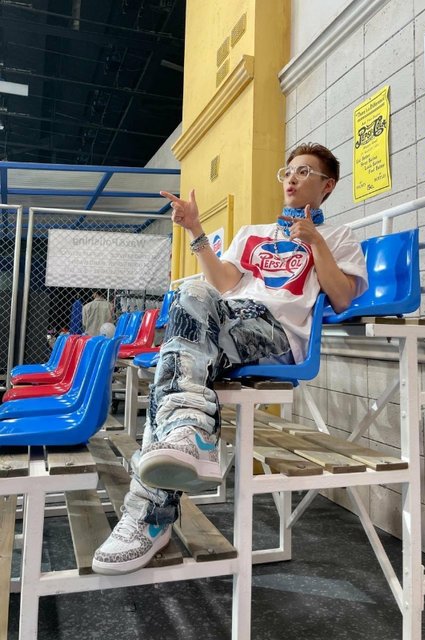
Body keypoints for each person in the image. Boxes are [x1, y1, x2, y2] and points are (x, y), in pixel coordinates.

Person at [92, 142, 368, 575]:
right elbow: (222, 283)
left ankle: (149, 513)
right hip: (231, 321)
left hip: (277, 335)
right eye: (288, 171)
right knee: (184, 328)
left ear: (327, 186)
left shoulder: (338, 237)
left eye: (304, 172)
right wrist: (194, 229)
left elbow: (343, 296)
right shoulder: (253, 233)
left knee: (179, 354)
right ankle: (187, 436)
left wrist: (316, 242)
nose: (292, 178)